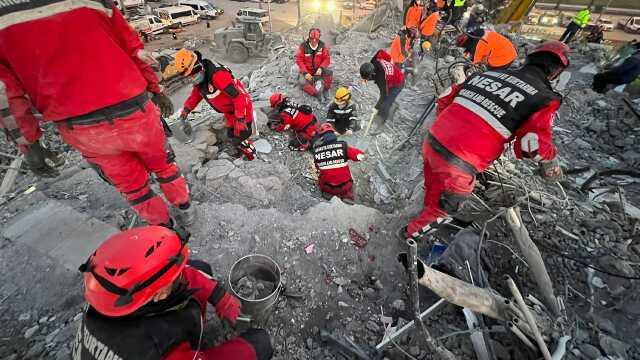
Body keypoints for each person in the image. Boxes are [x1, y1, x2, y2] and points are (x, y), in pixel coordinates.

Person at [0, 0, 193, 228]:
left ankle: (165, 230)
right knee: (163, 166)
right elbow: (137, 50)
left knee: (132, 186)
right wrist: (156, 89)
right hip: (134, 111)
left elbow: (7, 96)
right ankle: (185, 211)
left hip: (82, 129)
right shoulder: (96, 1)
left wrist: (30, 145)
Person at [401, 41, 569, 241]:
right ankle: (406, 238)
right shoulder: (545, 97)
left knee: (435, 188)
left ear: (529, 59)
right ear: (555, 73)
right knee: (444, 212)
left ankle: (427, 210)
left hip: (432, 141)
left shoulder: (487, 74)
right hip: (460, 164)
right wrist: (550, 162)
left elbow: (444, 99)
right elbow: (529, 145)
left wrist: (454, 128)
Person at [72, 226, 273, 360]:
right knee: (259, 344)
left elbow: (182, 275)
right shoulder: (156, 346)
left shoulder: (109, 294)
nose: (183, 272)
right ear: (158, 295)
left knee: (199, 267)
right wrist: (249, 348)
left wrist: (218, 295)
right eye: (176, 275)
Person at [175, 49, 256, 161]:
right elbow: (196, 95)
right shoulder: (201, 79)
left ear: (197, 66)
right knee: (231, 133)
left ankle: (248, 153)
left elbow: (239, 97)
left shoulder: (218, 75)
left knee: (242, 134)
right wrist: (186, 110)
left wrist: (240, 118)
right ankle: (237, 150)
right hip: (228, 111)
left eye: (193, 75)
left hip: (240, 107)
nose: (192, 79)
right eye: (189, 77)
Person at [311, 123, 365, 203]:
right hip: (345, 186)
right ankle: (347, 196)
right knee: (349, 177)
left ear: (321, 138)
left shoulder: (316, 152)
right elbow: (358, 156)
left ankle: (329, 194)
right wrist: (362, 156)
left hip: (328, 187)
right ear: (333, 134)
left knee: (321, 176)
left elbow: (318, 168)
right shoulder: (343, 146)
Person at [359, 49, 405, 130]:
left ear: (372, 74)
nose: (367, 80)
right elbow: (381, 52)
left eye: (367, 78)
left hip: (398, 83)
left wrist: (376, 108)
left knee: (385, 104)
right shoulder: (373, 62)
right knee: (386, 100)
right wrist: (389, 62)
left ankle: (381, 124)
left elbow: (383, 95)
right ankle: (392, 104)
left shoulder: (382, 79)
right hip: (392, 78)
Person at [295, 28, 333, 101]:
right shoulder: (303, 46)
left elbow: (326, 59)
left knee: (329, 74)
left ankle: (325, 90)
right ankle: (316, 94)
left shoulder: (322, 46)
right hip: (308, 70)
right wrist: (305, 73)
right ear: (309, 37)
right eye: (312, 39)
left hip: (318, 70)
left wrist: (321, 68)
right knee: (302, 82)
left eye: (316, 39)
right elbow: (299, 60)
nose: (314, 41)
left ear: (319, 38)